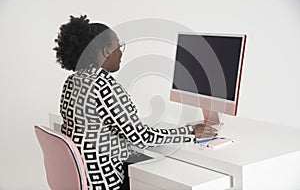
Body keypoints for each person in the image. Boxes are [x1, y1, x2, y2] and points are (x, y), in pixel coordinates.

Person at [53, 15, 217, 190]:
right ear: (107, 50)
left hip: (83, 176)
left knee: (155, 165)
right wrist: (190, 132)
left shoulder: (73, 81)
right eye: (119, 46)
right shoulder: (103, 85)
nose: (121, 52)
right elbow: (141, 137)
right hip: (106, 182)